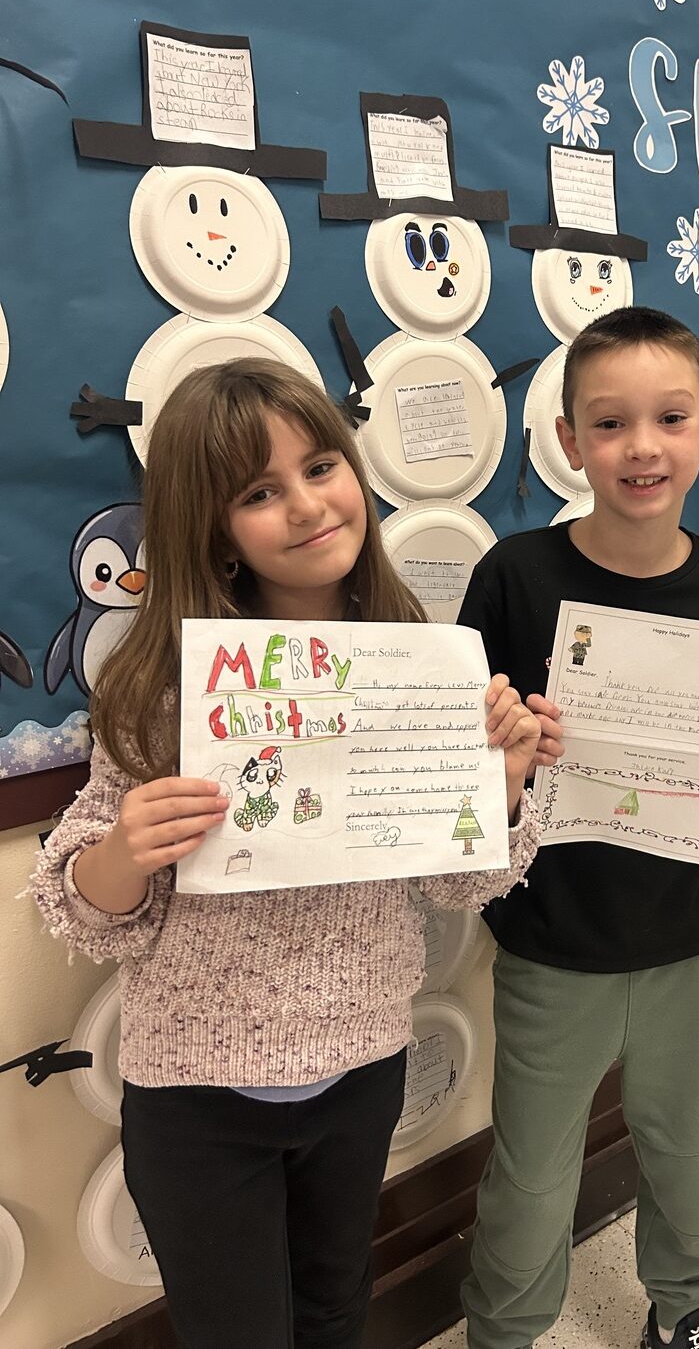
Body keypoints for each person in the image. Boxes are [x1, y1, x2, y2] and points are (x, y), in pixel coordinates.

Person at [32, 360, 541, 1349]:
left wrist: (503, 785)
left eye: (321, 467)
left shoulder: (414, 661)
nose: (307, 505)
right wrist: (123, 853)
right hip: (197, 1098)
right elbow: (86, 902)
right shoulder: (166, 689)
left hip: (359, 1071)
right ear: (212, 528)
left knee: (335, 1305)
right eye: (259, 492)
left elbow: (460, 877)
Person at [457, 305, 699, 1349]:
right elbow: (469, 769)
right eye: (608, 424)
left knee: (689, 1146)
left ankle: (684, 1311)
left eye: (668, 418)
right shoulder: (515, 577)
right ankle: (506, 1330)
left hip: (693, 929)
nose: (640, 446)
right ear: (568, 442)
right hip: (554, 935)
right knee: (534, 1164)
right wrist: (500, 741)